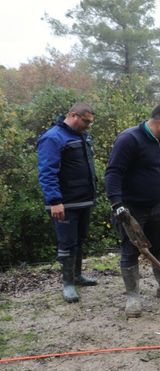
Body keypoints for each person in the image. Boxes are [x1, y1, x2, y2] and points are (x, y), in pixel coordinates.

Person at [105, 103, 160, 318]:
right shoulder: (129, 139)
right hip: (131, 209)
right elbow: (113, 173)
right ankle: (133, 296)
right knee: (130, 251)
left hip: (155, 207)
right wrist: (117, 204)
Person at [37, 103, 98, 303]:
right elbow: (47, 172)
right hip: (64, 203)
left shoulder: (82, 136)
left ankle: (77, 276)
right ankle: (68, 284)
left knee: (79, 240)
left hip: (84, 200)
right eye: (86, 121)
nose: (88, 125)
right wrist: (54, 200)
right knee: (67, 243)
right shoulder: (52, 137)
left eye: (90, 122)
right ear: (73, 115)